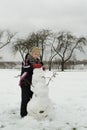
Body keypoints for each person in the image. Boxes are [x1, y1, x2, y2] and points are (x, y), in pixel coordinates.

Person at [19, 47, 45, 118]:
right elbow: (25, 67)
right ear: (32, 53)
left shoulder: (38, 61)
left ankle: (31, 112)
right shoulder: (26, 60)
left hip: (33, 84)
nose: (36, 55)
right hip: (25, 82)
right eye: (35, 53)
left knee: (33, 98)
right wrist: (33, 66)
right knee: (25, 99)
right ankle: (23, 115)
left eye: (37, 54)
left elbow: (39, 69)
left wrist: (42, 67)